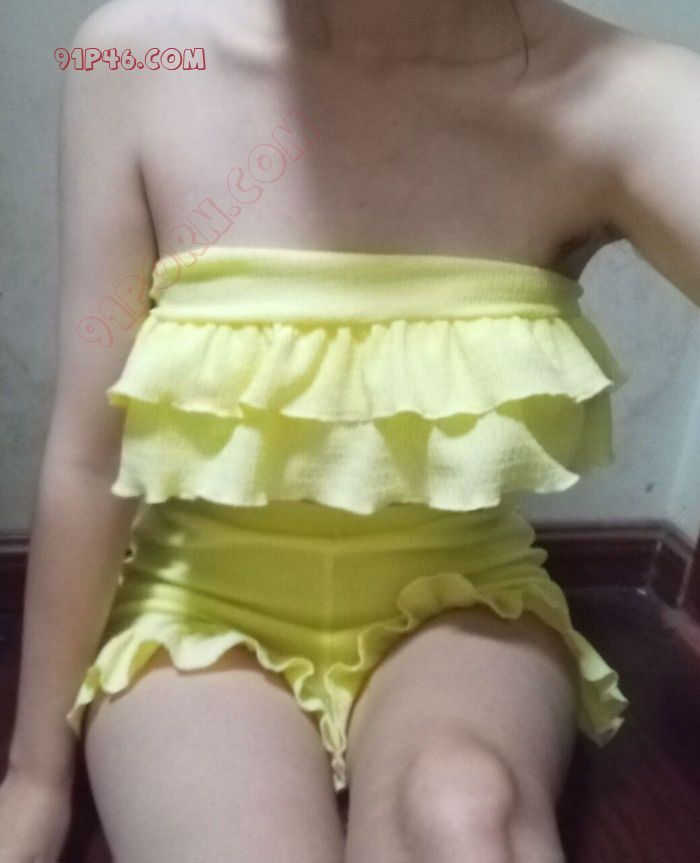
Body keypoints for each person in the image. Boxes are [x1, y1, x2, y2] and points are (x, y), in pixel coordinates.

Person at [1, 0, 699, 861]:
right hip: (198, 609)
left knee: (463, 815)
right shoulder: (131, 56)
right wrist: (35, 778)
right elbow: (89, 449)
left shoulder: (619, 95)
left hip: (463, 601)